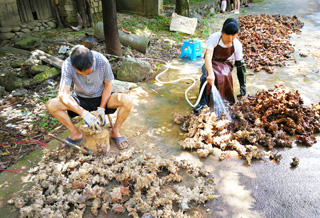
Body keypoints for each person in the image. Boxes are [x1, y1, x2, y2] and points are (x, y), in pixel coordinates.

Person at [46, 45, 133, 150]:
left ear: (93, 60)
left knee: (127, 100)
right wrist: (84, 113)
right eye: (80, 74)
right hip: (81, 99)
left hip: (102, 97)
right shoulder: (68, 64)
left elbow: (108, 85)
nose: (85, 76)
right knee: (51, 105)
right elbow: (62, 94)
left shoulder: (102, 61)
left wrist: (102, 108)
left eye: (88, 72)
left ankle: (115, 131)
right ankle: (75, 133)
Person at [193, 18, 246, 113]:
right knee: (205, 77)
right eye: (228, 35)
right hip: (211, 61)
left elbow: (240, 66)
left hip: (225, 63)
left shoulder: (237, 44)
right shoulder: (214, 37)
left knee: (225, 75)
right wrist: (210, 73)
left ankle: (225, 100)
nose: (230, 38)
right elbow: (208, 55)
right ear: (222, 32)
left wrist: (243, 86)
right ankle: (203, 102)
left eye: (233, 35)